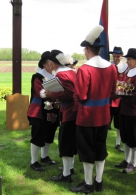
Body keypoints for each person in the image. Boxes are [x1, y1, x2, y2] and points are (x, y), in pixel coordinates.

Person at [71, 25, 117, 193]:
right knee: (100, 148)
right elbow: (113, 91)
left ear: (88, 50)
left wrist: (75, 97)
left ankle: (88, 183)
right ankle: (99, 181)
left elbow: (81, 96)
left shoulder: (84, 69)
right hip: (104, 115)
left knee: (86, 149)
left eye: (84, 49)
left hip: (87, 116)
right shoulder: (111, 67)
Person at [43, 50, 78, 183]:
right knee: (70, 142)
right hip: (73, 111)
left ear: (52, 63)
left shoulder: (62, 75)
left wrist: (52, 95)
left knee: (66, 143)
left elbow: (70, 94)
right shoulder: (70, 71)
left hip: (70, 112)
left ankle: (66, 174)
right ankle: (70, 168)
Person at [115, 48, 136, 173]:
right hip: (124, 108)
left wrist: (123, 94)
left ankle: (133, 163)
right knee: (125, 136)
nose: (126, 62)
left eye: (129, 59)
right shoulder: (129, 70)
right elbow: (123, 85)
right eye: (126, 59)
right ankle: (126, 160)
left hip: (134, 110)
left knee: (133, 137)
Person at [27, 51, 60, 172]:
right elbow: (40, 93)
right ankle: (33, 161)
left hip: (52, 110)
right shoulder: (38, 76)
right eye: (53, 62)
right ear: (46, 63)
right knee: (37, 136)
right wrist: (57, 93)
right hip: (39, 111)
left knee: (49, 135)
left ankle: (44, 156)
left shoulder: (55, 75)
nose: (55, 64)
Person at [108, 46, 128, 153]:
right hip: (109, 99)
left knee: (119, 124)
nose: (115, 58)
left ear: (121, 56)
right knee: (105, 122)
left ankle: (118, 143)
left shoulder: (125, 67)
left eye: (118, 56)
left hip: (120, 99)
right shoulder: (108, 66)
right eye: (114, 56)